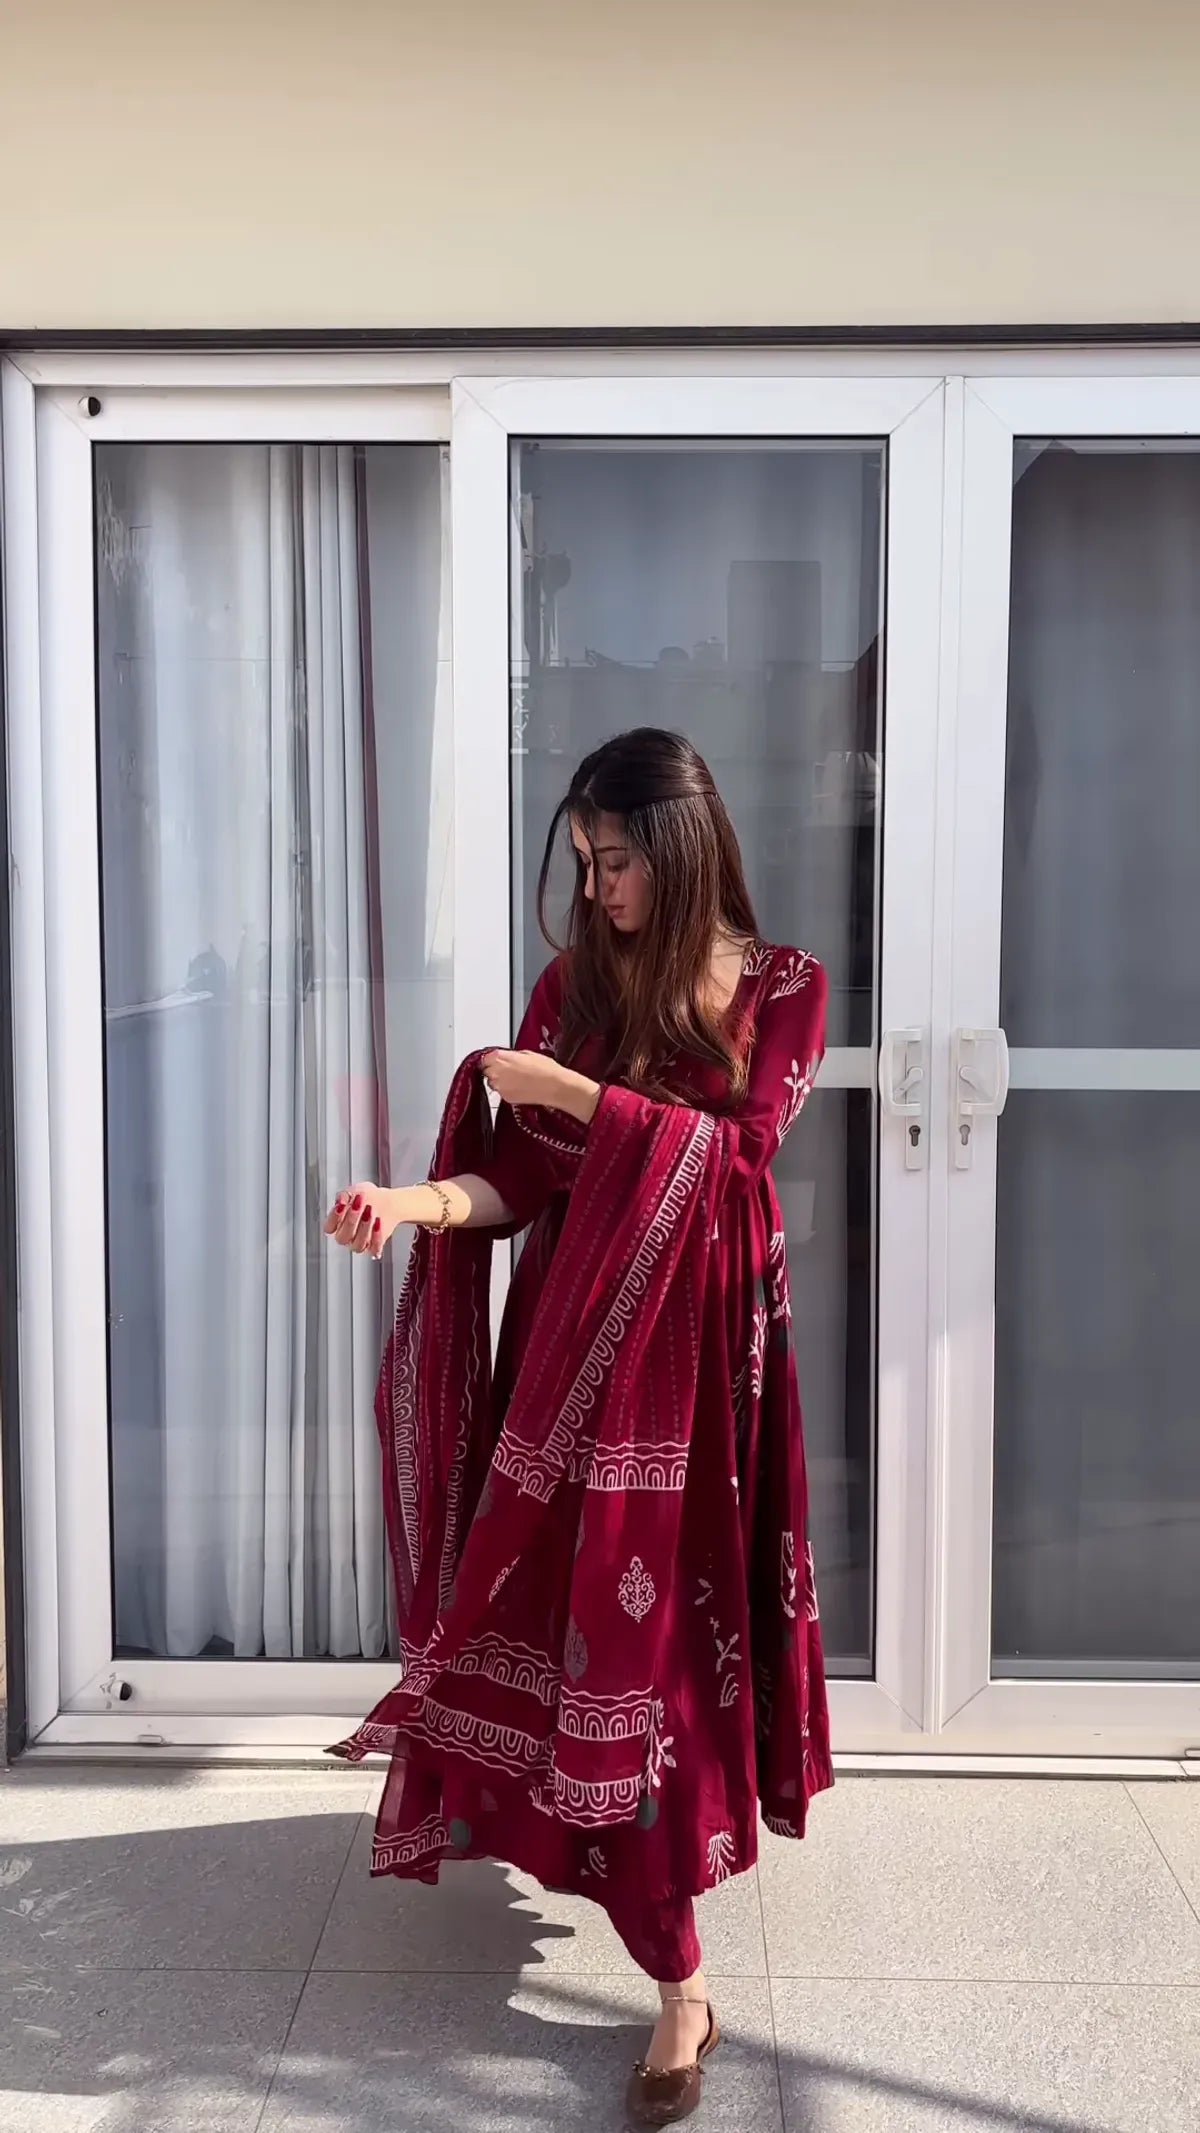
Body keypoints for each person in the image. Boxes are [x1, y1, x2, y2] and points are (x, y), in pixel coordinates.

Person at [326, 728, 831, 2126]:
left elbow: (738, 1160)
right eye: (588, 861)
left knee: (661, 1670)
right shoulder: (574, 989)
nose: (596, 888)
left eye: (616, 862)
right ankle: (673, 1961)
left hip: (703, 1387)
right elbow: (515, 1184)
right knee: (579, 1657)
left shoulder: (782, 988)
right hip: (570, 1378)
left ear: (677, 850)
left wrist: (567, 1092)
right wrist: (411, 1204)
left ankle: (679, 1985)